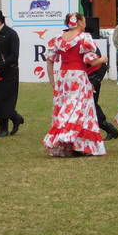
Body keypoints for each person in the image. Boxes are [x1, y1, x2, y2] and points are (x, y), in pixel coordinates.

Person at [42, 13, 108, 157]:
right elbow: (91, 61)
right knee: (80, 109)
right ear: (79, 22)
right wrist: (103, 59)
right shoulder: (84, 37)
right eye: (84, 20)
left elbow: (50, 61)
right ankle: (73, 140)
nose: (85, 23)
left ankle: (69, 144)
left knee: (65, 107)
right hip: (78, 77)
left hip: (63, 77)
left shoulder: (59, 38)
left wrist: (53, 81)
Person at [0, 10, 24, 137]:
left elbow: (14, 56)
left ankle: (3, 129)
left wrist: (0, 64)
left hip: (8, 72)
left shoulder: (11, 34)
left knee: (3, 100)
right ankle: (16, 117)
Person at [84, 19, 118, 141]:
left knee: (91, 104)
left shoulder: (87, 43)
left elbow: (95, 62)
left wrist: (94, 80)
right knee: (88, 104)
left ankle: (108, 128)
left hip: (94, 75)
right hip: (89, 75)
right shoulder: (83, 42)